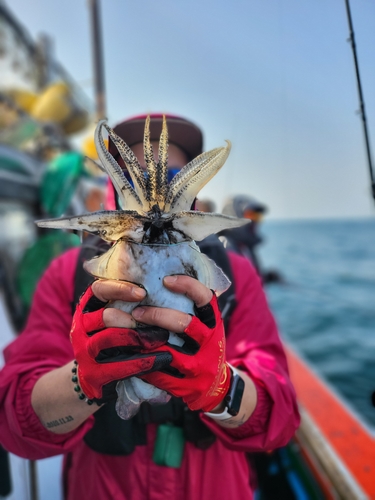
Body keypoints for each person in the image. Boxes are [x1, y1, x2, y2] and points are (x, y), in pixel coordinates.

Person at [0, 114, 299, 500]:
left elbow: (280, 415)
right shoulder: (65, 274)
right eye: (135, 174)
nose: (155, 186)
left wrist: (222, 386)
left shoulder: (236, 273)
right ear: (116, 186)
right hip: (103, 485)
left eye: (173, 173)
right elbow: (15, 421)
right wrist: (82, 378)